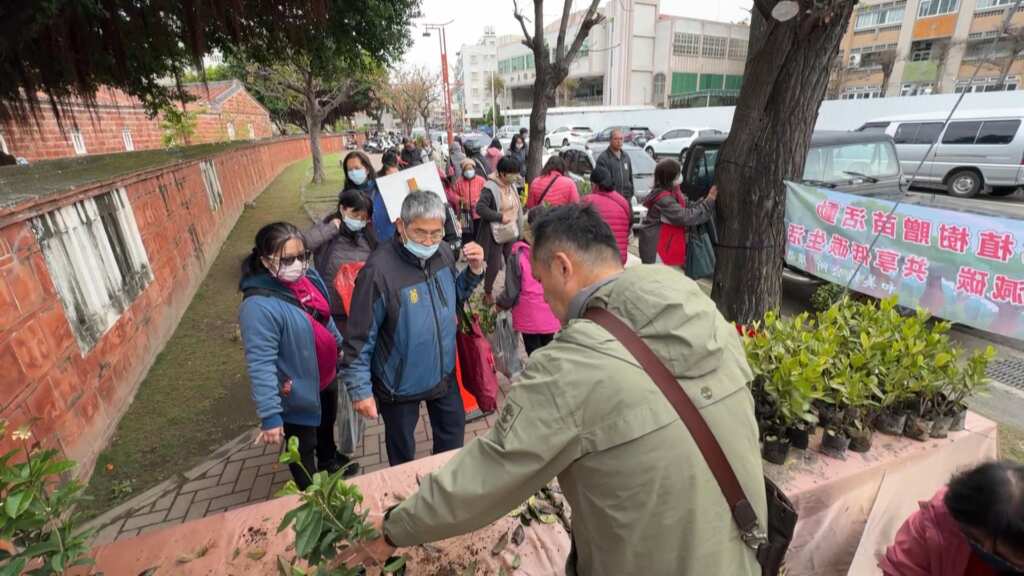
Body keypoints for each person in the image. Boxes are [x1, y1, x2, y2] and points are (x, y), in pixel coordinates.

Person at [356, 203, 768, 575]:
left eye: (539, 278)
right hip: (740, 554)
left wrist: (395, 529)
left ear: (563, 267)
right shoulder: (696, 307)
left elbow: (489, 474)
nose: (545, 296)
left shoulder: (571, 364)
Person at [341, 192, 486, 467]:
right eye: (420, 233)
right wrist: (360, 390)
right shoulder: (378, 272)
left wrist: (473, 272)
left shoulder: (443, 252)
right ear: (400, 226)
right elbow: (360, 338)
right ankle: (405, 501)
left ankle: (443, 488)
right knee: (402, 451)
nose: (429, 241)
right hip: (398, 383)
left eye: (436, 232)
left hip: (442, 373)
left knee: (452, 440)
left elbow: (451, 299)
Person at [239, 222, 345, 489]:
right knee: (303, 444)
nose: (297, 264)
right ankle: (313, 496)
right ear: (265, 260)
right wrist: (270, 415)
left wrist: (339, 346)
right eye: (287, 259)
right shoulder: (258, 307)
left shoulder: (308, 279)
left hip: (325, 375)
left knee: (326, 423)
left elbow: (323, 316)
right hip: (296, 388)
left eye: (301, 256)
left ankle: (329, 461)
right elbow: (260, 363)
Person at [880, 461, 1024, 576]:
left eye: (1003, 557)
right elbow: (903, 569)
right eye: (975, 540)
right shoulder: (938, 522)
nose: (986, 551)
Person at [496, 209, 560, 356]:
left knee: (534, 355)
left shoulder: (517, 254)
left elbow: (511, 291)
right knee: (547, 351)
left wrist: (500, 304)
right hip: (549, 314)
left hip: (528, 316)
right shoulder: (555, 253)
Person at [638, 158, 718, 266]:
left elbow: (686, 206)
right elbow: (686, 216)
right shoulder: (664, 199)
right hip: (657, 249)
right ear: (670, 177)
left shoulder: (671, 192)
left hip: (662, 245)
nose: (681, 175)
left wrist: (703, 202)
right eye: (678, 173)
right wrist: (708, 202)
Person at [476, 156, 523, 301]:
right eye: (513, 173)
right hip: (495, 234)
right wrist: (499, 216)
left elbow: (518, 207)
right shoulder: (490, 188)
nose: (517, 176)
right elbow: (480, 208)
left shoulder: (511, 185)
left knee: (512, 262)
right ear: (502, 174)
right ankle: (488, 292)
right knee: (494, 266)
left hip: (511, 231)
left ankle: (511, 290)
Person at [340, 151, 394, 244]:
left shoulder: (383, 187)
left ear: (367, 169)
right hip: (365, 248)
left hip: (390, 243)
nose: (353, 172)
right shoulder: (345, 197)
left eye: (357, 168)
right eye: (350, 170)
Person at [582, 165, 631, 265]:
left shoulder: (587, 201)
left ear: (594, 184)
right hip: (619, 259)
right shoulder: (623, 202)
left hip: (596, 260)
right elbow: (628, 228)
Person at [448, 158, 485, 247]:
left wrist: (477, 201)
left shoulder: (481, 180)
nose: (469, 171)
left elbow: (485, 194)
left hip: (478, 212)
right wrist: (460, 200)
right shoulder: (458, 182)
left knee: (479, 232)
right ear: (463, 170)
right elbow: (452, 195)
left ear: (474, 169)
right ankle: (467, 249)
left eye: (470, 169)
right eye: (466, 169)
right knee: (466, 233)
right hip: (463, 211)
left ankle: (479, 248)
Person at [595, 128, 635, 203]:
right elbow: (601, 184)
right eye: (616, 139)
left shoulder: (626, 157)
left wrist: (631, 193)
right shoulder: (603, 159)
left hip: (626, 200)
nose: (619, 141)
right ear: (610, 140)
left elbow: (630, 178)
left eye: (621, 139)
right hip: (611, 201)